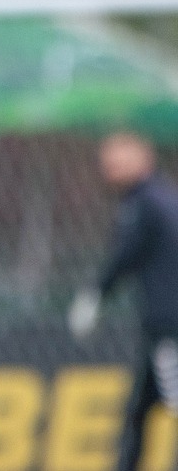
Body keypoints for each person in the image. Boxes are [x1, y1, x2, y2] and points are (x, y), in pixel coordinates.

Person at [68, 130, 178, 471]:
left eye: (118, 159)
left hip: (169, 326)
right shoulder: (161, 198)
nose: (110, 169)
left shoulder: (145, 202)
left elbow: (124, 257)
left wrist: (95, 292)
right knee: (140, 409)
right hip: (160, 325)